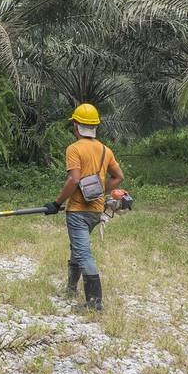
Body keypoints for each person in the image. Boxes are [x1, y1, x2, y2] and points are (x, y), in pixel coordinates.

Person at [44, 103, 124, 310]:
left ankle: (94, 302)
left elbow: (73, 180)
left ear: (76, 126)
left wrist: (56, 203)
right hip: (96, 211)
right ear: (95, 126)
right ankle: (71, 287)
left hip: (78, 211)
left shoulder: (74, 148)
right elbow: (119, 177)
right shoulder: (106, 150)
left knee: (83, 252)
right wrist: (100, 191)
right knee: (77, 248)